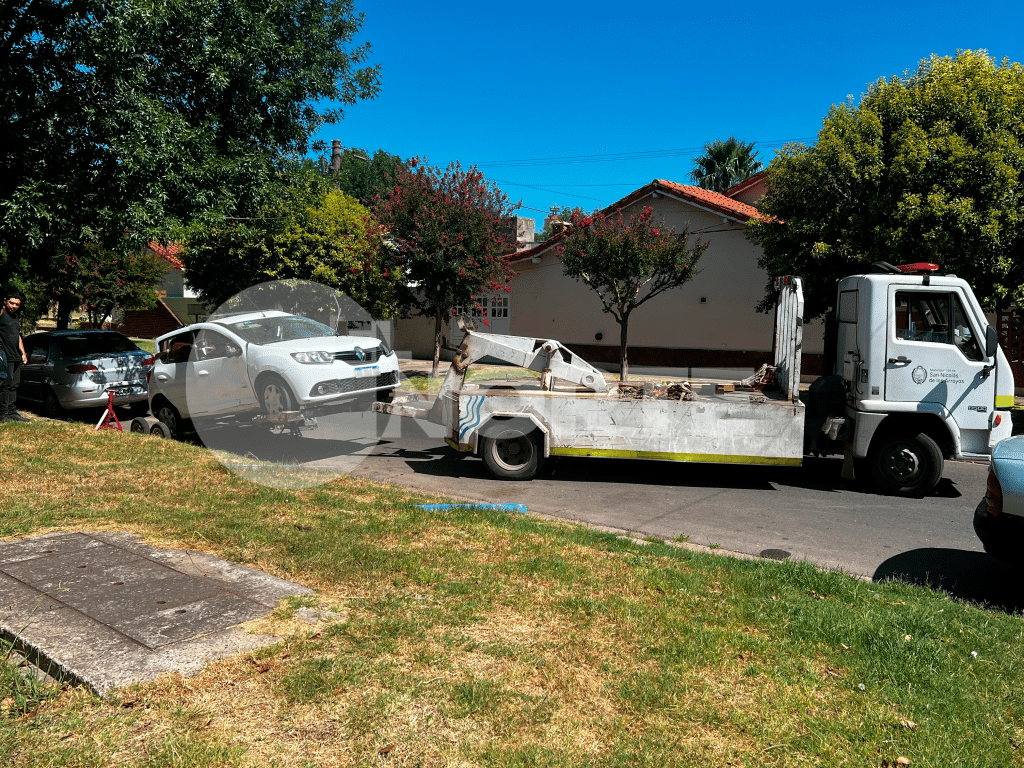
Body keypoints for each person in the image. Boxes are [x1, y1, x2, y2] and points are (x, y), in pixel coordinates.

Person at [0, 289, 29, 423]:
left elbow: (17, 336)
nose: (14, 306)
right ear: (5, 301)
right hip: (4, 356)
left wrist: (23, 353)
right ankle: (3, 414)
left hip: (16, 356)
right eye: (11, 303)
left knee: (14, 384)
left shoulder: (15, 316)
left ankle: (12, 412)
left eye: (17, 304)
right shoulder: (2, 312)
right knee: (5, 385)